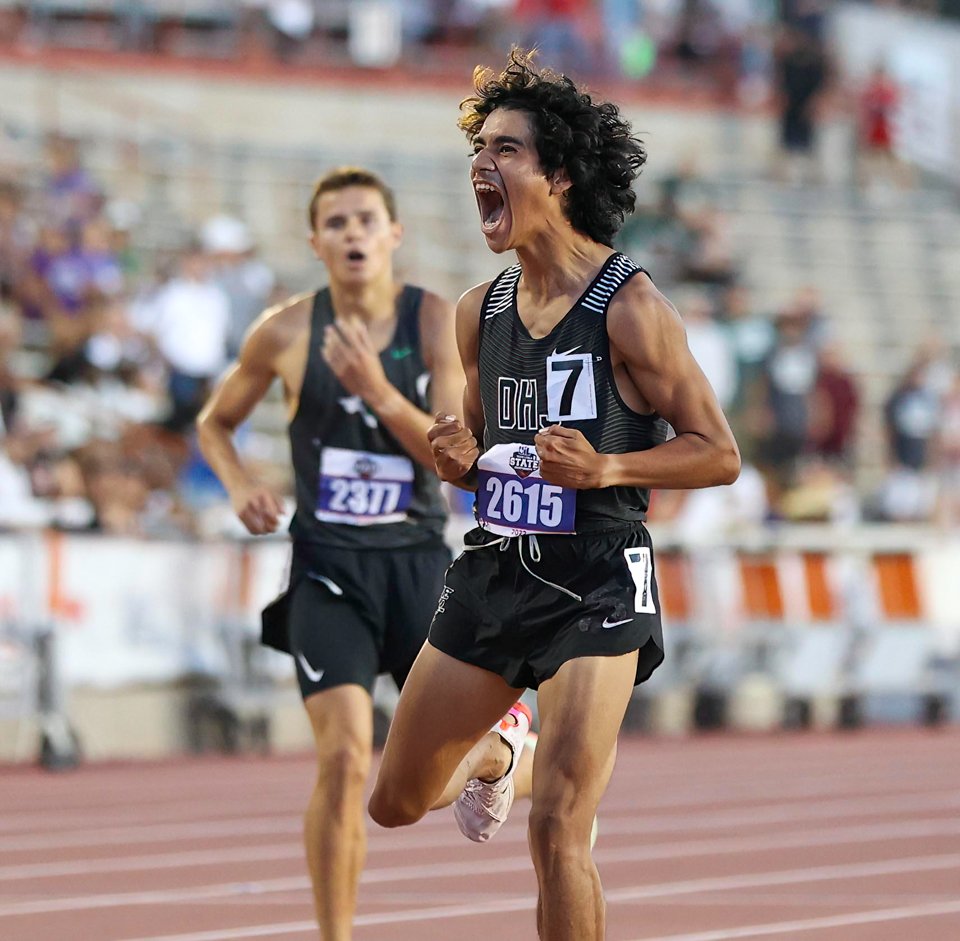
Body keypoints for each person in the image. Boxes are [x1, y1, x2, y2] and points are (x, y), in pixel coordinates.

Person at [368, 50, 740, 940]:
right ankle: (505, 747)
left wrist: (608, 468)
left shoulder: (630, 305)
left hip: (601, 576)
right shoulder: (479, 313)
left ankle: (535, 766)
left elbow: (718, 453)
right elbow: (482, 449)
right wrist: (457, 461)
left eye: (507, 149)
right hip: (499, 568)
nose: (482, 165)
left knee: (559, 828)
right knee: (395, 798)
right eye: (479, 148)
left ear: (561, 175)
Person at [197, 166, 534, 940]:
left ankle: (496, 754)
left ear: (393, 235)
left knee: (420, 773)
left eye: (365, 221)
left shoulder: (431, 323)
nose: (352, 234)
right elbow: (215, 423)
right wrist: (241, 481)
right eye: (336, 223)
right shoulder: (284, 331)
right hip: (326, 568)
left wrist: (378, 391)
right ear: (315, 241)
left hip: (417, 563)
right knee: (347, 758)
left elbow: (458, 454)